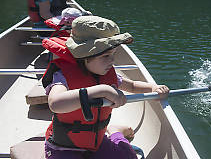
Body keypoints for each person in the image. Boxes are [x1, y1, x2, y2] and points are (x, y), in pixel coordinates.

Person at [41, 15, 169, 159]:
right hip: (64, 148)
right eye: (106, 56)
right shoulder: (61, 75)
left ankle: (113, 131)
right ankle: (113, 131)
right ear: (84, 55)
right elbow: (55, 104)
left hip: (97, 142)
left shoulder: (108, 74)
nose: (112, 60)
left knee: (129, 156)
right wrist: (102, 90)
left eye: (113, 54)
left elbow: (132, 86)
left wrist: (153, 88)